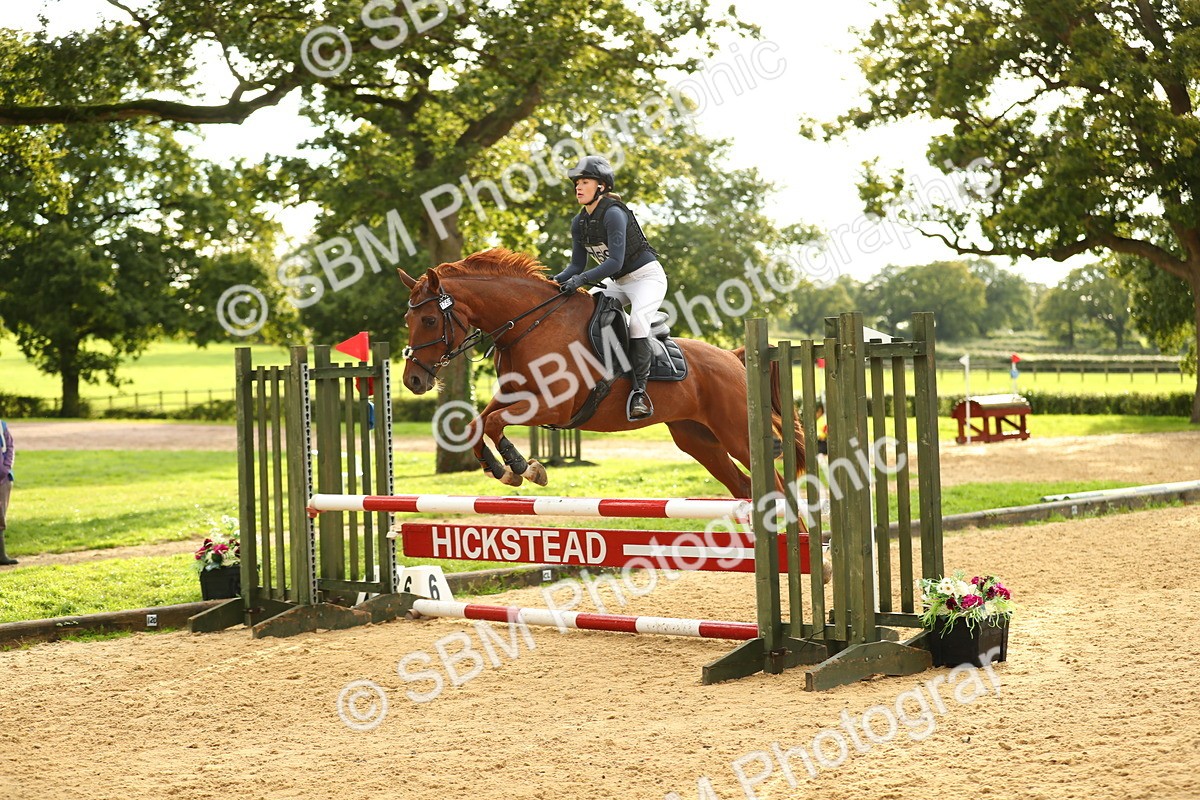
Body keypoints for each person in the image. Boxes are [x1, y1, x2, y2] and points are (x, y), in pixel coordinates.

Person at [552, 155, 668, 421]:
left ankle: (639, 393)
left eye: (584, 182)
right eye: (576, 183)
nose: (578, 187)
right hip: (617, 282)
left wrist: (580, 281)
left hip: (646, 279)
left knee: (637, 323)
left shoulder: (614, 214)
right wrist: (551, 284)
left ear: (601, 186)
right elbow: (575, 266)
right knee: (580, 312)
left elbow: (615, 262)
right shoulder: (578, 222)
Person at [0, 419, 15, 565]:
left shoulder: (1, 426)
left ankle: (1, 555)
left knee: (0, 516)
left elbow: (10, 446)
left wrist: (5, 469)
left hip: (2, 479)